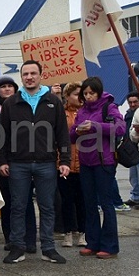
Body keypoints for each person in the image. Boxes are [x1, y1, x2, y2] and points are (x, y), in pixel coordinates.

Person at [0, 60, 70, 264]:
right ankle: (17, 247)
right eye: (25, 74)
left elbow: (62, 134)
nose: (29, 77)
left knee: (47, 207)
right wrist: (2, 160)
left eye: (33, 73)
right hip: (17, 163)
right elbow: (3, 135)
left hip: (46, 162)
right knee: (18, 207)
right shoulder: (11, 103)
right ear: (21, 77)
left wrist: (64, 160)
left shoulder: (53, 102)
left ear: (40, 75)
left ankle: (48, 248)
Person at [70, 76, 125, 259]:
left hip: (104, 162)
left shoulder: (109, 106)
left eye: (91, 93)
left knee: (106, 204)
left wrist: (95, 126)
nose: (88, 97)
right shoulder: (82, 110)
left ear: (98, 92)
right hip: (86, 162)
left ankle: (109, 246)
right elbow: (71, 135)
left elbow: (120, 128)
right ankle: (92, 242)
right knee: (89, 204)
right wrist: (77, 131)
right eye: (85, 94)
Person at [0, 75, 37, 251]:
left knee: (25, 201)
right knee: (7, 201)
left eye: (10, 86)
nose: (7, 89)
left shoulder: (24, 104)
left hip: (23, 158)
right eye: (3, 86)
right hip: (0, 160)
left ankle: (30, 239)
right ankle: (11, 238)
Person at [58, 82, 86, 248]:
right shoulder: (61, 113)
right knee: (66, 200)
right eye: (76, 94)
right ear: (67, 96)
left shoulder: (88, 111)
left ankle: (83, 232)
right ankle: (68, 232)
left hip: (84, 162)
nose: (80, 97)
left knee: (83, 199)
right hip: (65, 162)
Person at [124, 92, 139, 208]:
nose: (132, 104)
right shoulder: (138, 112)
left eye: (135, 102)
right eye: (130, 102)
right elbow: (132, 135)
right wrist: (137, 131)